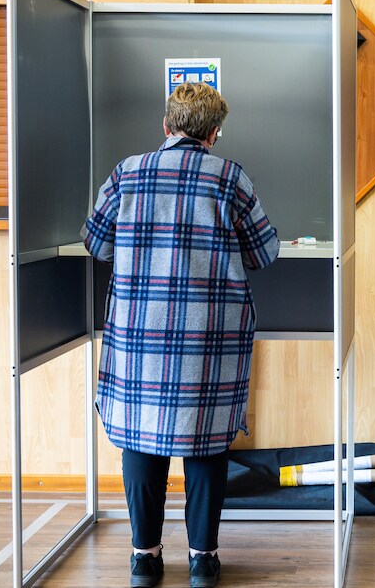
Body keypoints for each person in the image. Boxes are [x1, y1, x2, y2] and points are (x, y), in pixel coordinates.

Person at [82, 82, 280, 588]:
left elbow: (96, 243)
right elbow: (264, 253)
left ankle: (144, 558)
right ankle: (202, 560)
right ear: (214, 133)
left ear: (165, 126)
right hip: (208, 338)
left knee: (140, 438)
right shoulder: (230, 178)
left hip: (140, 333)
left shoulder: (127, 172)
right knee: (207, 442)